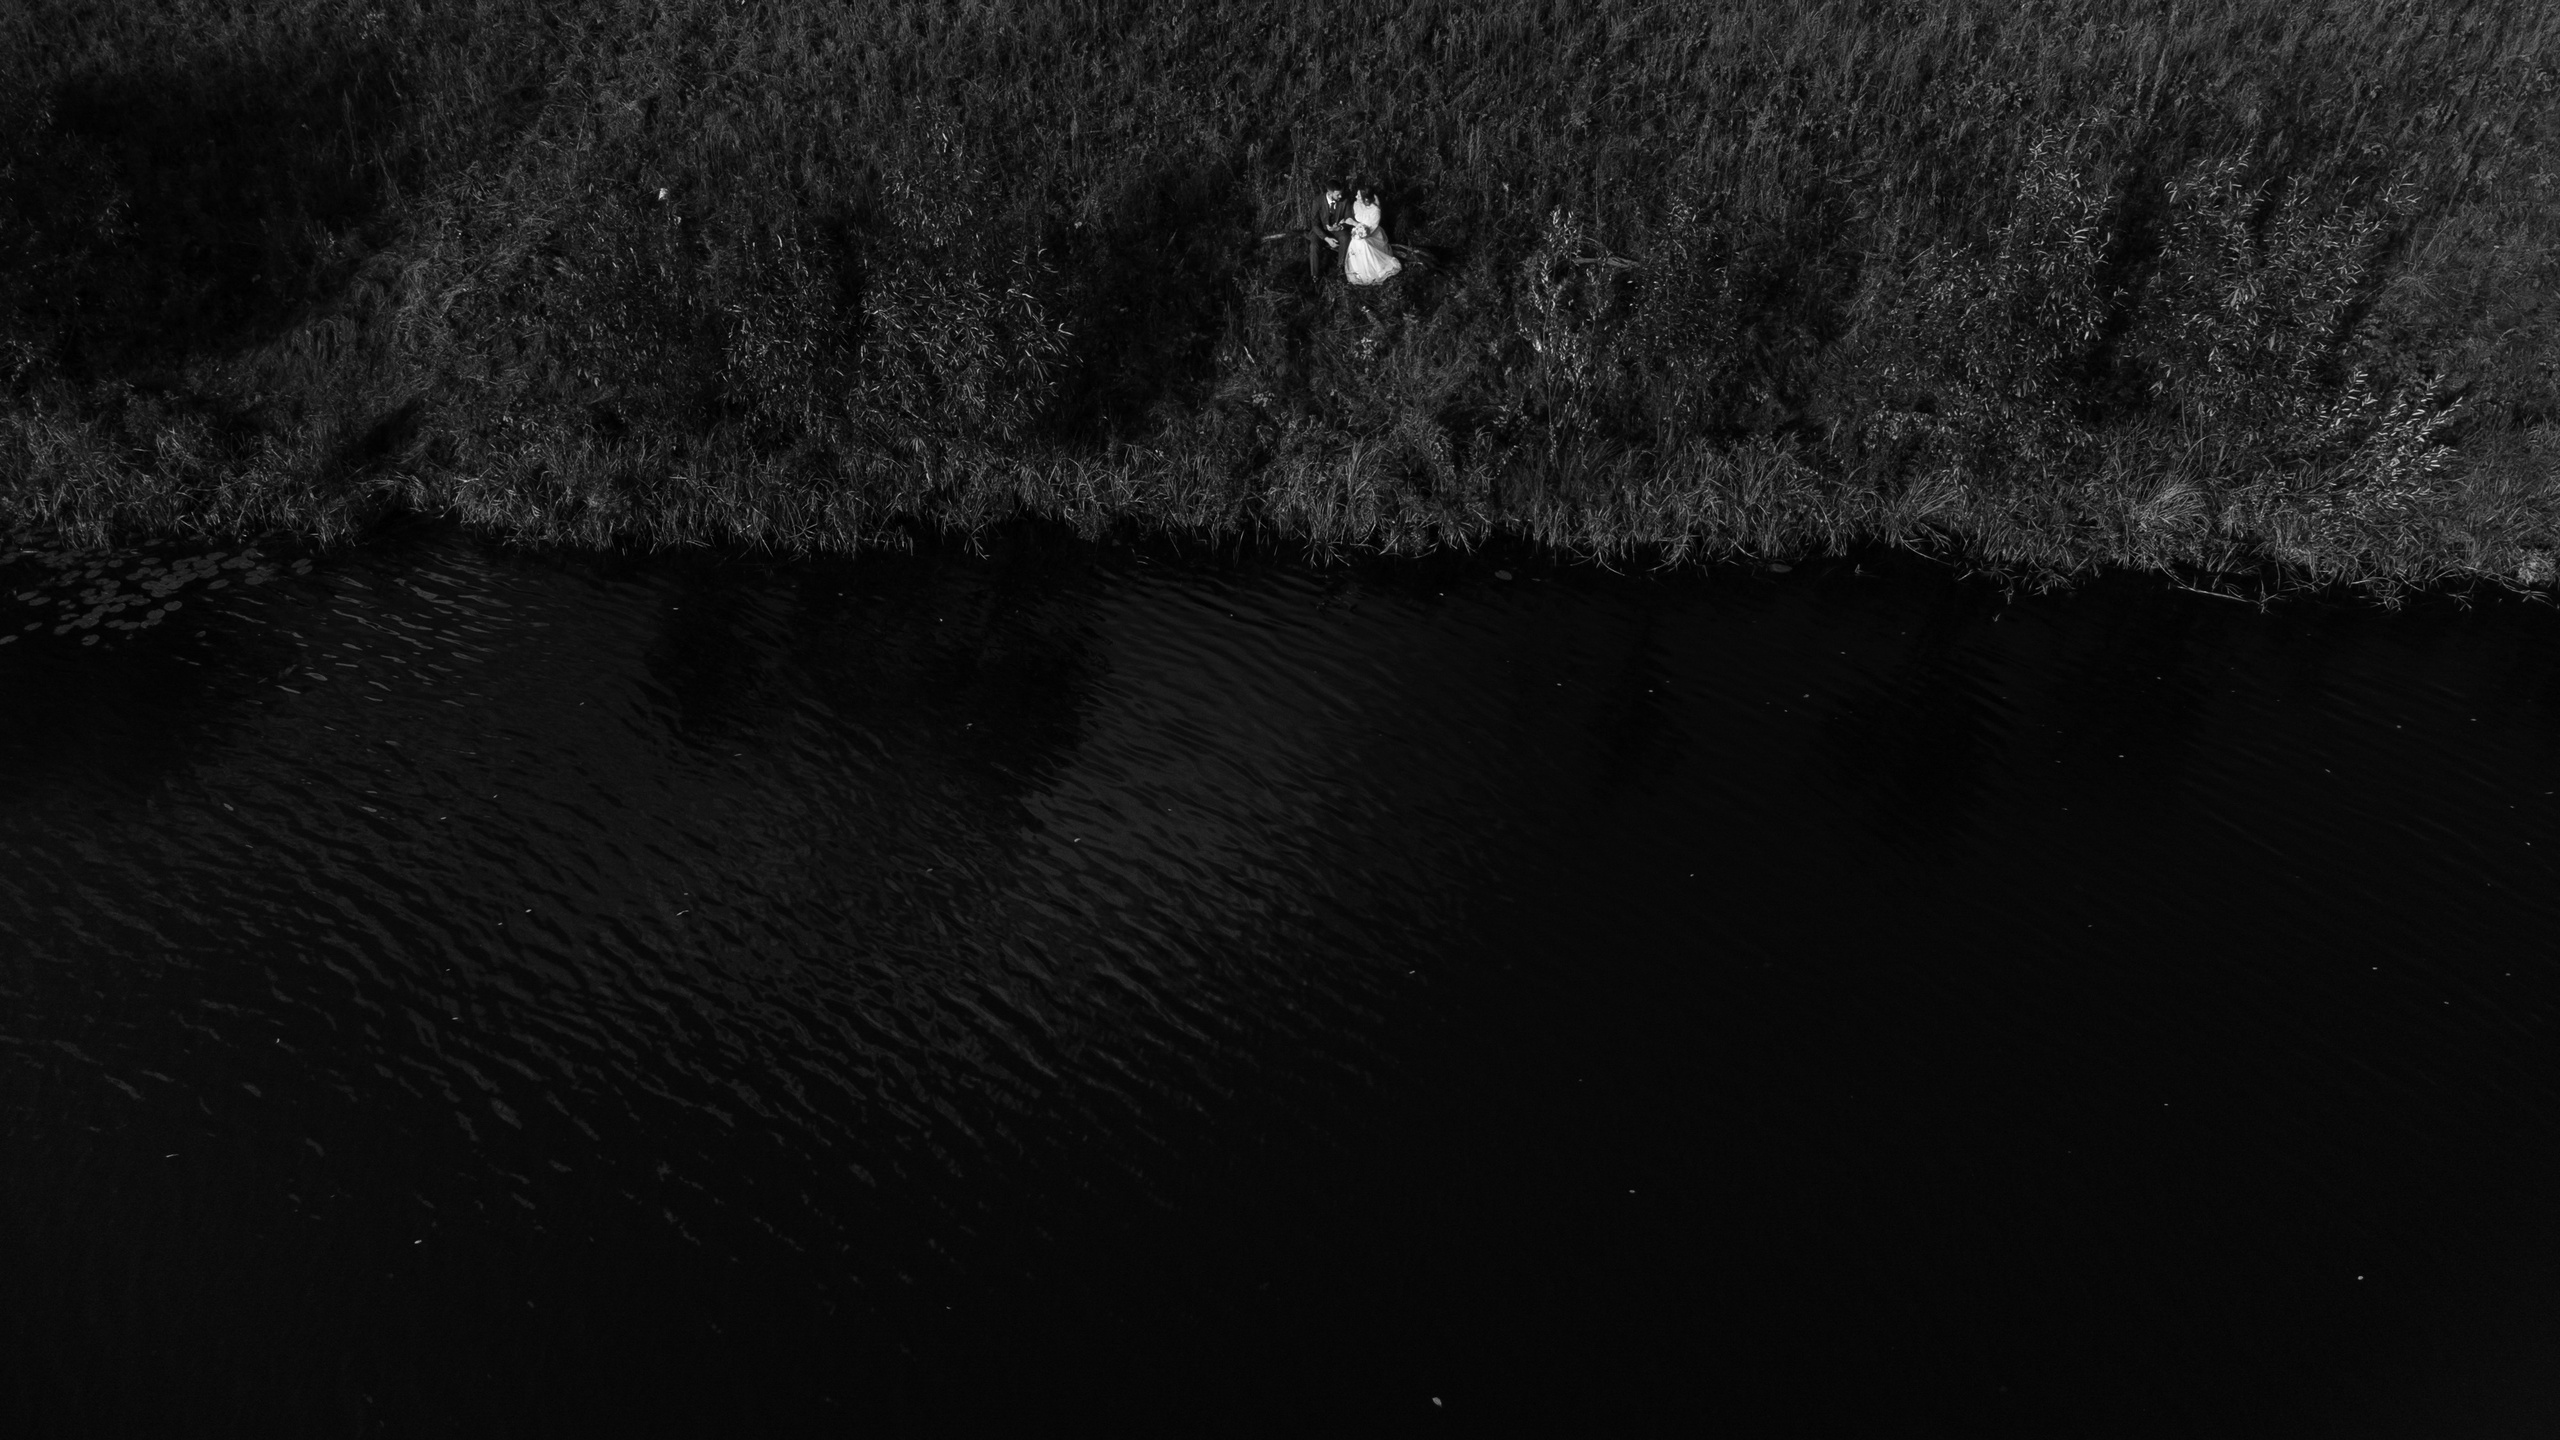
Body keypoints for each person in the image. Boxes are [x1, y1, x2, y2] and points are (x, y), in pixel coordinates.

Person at [1343, 187, 1402, 286]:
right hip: (1360, 231)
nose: (1355, 197)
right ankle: (1358, 271)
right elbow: (1353, 219)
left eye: (1358, 196)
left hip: (1372, 234)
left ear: (1366, 199)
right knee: (1356, 241)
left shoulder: (1375, 211)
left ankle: (1372, 272)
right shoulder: (1356, 205)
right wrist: (1355, 229)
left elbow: (1370, 230)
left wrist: (1357, 228)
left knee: (1363, 243)